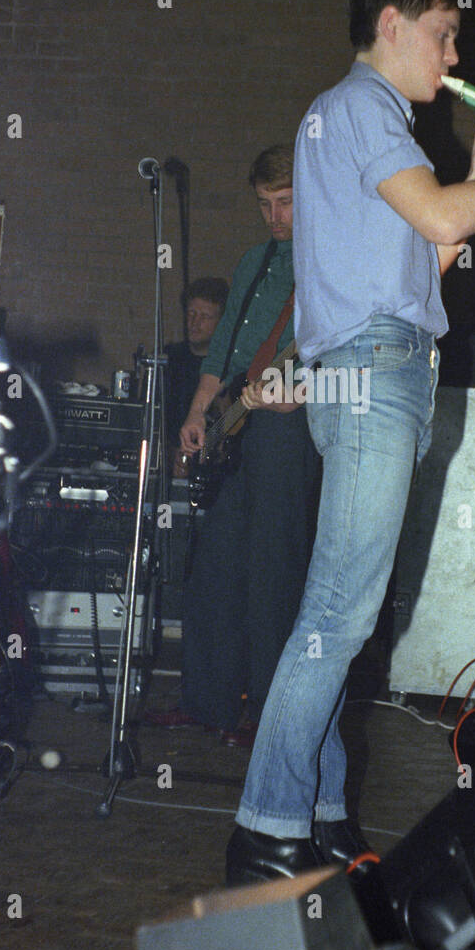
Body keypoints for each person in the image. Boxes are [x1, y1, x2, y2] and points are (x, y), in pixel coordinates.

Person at [226, 0, 475, 884]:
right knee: (336, 615)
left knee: (343, 611)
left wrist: (470, 175)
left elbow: (423, 262)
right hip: (375, 374)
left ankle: (323, 812)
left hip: (381, 366)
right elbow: (431, 226)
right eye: (444, 33)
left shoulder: (356, 122)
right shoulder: (363, 108)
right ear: (391, 23)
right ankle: (265, 828)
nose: (456, 51)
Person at [148, 146, 320, 746]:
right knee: (214, 569)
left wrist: (304, 390)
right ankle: (207, 701)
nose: (275, 217)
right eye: (265, 205)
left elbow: (345, 348)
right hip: (235, 421)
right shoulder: (254, 261)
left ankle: (269, 715)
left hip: (285, 425)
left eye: (286, 203)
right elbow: (222, 351)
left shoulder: (331, 257)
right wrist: (196, 414)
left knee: (274, 572)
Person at [164, 277, 228, 465]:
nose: (195, 322)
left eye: (205, 317)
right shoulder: (169, 359)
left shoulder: (232, 366)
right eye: (191, 313)